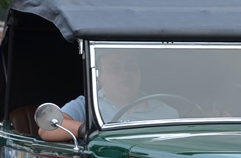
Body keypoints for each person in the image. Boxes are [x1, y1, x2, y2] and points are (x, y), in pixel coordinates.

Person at [39, 50, 175, 141]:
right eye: (115, 69)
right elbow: (47, 129)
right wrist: (89, 130)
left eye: (131, 67)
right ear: (99, 77)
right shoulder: (86, 105)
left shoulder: (166, 112)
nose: (125, 74)